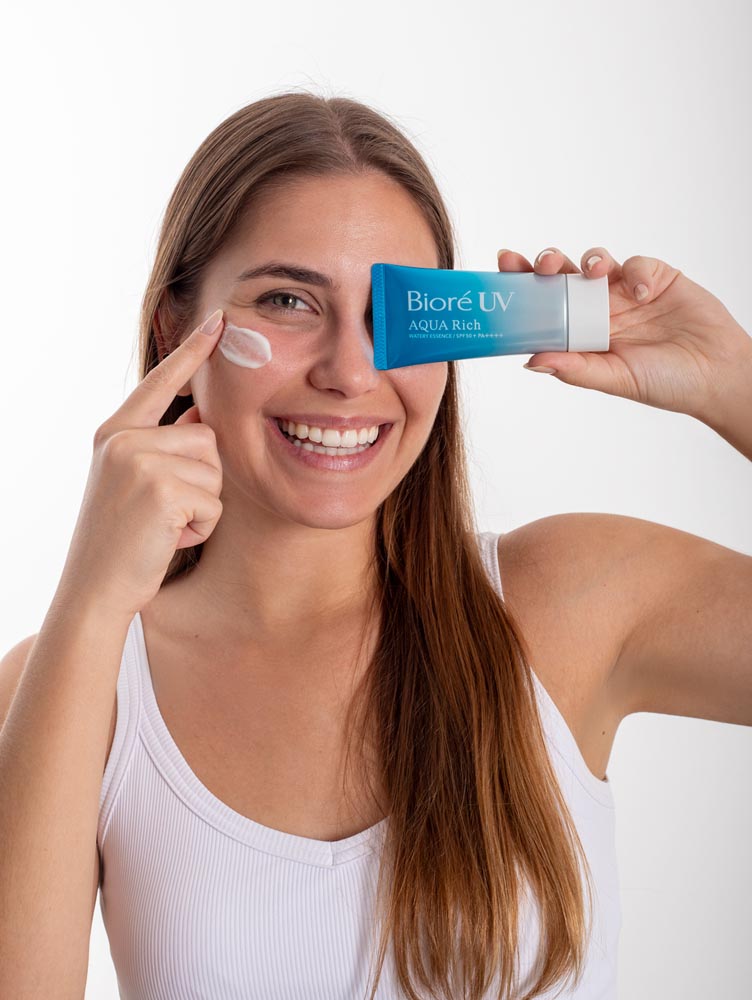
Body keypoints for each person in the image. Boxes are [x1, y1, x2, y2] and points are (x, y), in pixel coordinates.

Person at [0, 91, 750, 1000]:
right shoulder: (71, 678)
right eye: (288, 301)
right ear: (174, 329)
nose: (350, 373)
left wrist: (733, 382)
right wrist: (90, 596)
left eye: (397, 313)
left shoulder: (577, 600)